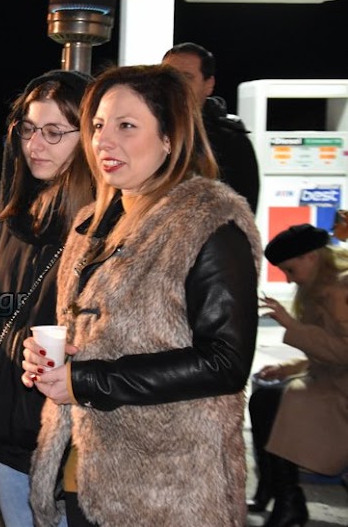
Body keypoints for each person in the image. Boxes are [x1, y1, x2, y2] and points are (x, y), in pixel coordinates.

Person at [21, 64, 262, 526]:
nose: (103, 142)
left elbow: (225, 362)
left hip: (168, 490)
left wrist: (87, 380)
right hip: (85, 469)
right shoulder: (92, 223)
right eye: (97, 126)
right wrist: (50, 356)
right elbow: (89, 334)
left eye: (126, 126)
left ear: (170, 138)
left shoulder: (209, 225)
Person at [0, 70, 92, 526]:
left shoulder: (101, 233)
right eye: (28, 129)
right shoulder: (0, 221)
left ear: (89, 139)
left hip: (69, 440)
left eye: (54, 132)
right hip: (5, 430)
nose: (36, 144)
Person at [247, 224, 348, 527]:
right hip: (332, 382)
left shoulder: (342, 289)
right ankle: (276, 489)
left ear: (311, 257)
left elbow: (343, 352)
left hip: (341, 392)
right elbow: (325, 353)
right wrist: (289, 367)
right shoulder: (318, 289)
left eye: (290, 270)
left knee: (286, 401)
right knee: (264, 398)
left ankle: (289, 500)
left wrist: (292, 325)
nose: (289, 279)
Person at [163, 41, 260, 212]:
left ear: (209, 85)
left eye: (187, 77)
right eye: (169, 77)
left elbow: (242, 213)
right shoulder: (141, 132)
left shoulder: (231, 143)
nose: (177, 85)